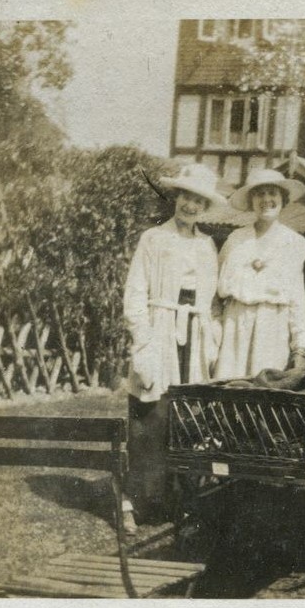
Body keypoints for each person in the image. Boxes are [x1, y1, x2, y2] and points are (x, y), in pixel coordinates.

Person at [121, 162, 227, 534]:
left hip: (194, 335)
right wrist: (144, 339)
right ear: (175, 198)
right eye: (186, 197)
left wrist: (211, 338)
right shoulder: (154, 239)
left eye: (199, 200)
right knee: (151, 414)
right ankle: (139, 500)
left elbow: (213, 301)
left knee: (190, 418)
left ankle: (181, 500)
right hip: (161, 330)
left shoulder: (207, 244)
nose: (191, 206)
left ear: (205, 206)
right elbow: (135, 293)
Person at [214, 168, 305, 379]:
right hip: (234, 327)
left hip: (273, 328)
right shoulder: (235, 240)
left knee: (265, 391)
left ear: (283, 199)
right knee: (228, 389)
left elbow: (299, 300)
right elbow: (215, 295)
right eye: (259, 194)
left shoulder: (295, 243)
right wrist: (214, 334)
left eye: (272, 193)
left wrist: (300, 346)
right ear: (251, 200)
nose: (266, 199)